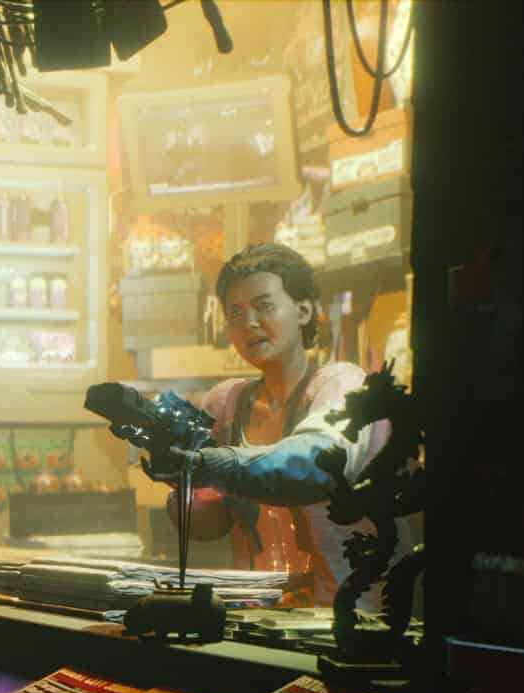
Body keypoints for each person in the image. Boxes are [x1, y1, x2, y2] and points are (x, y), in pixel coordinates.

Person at [150, 242, 391, 607]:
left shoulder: (343, 384)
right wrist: (179, 480)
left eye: (263, 306)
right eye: (235, 312)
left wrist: (209, 465)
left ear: (304, 310)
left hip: (348, 619)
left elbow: (314, 464)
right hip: (256, 619)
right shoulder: (226, 404)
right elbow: (207, 526)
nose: (249, 323)